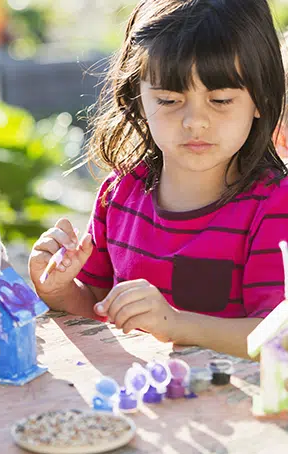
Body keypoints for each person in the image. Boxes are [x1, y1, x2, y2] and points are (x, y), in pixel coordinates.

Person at [29, 0, 288, 358]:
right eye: (168, 99)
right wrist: (58, 289)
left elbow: (278, 335)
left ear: (261, 98)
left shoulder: (275, 206)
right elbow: (97, 305)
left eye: (221, 100)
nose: (194, 121)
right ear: (137, 97)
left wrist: (175, 324)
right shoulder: (118, 196)